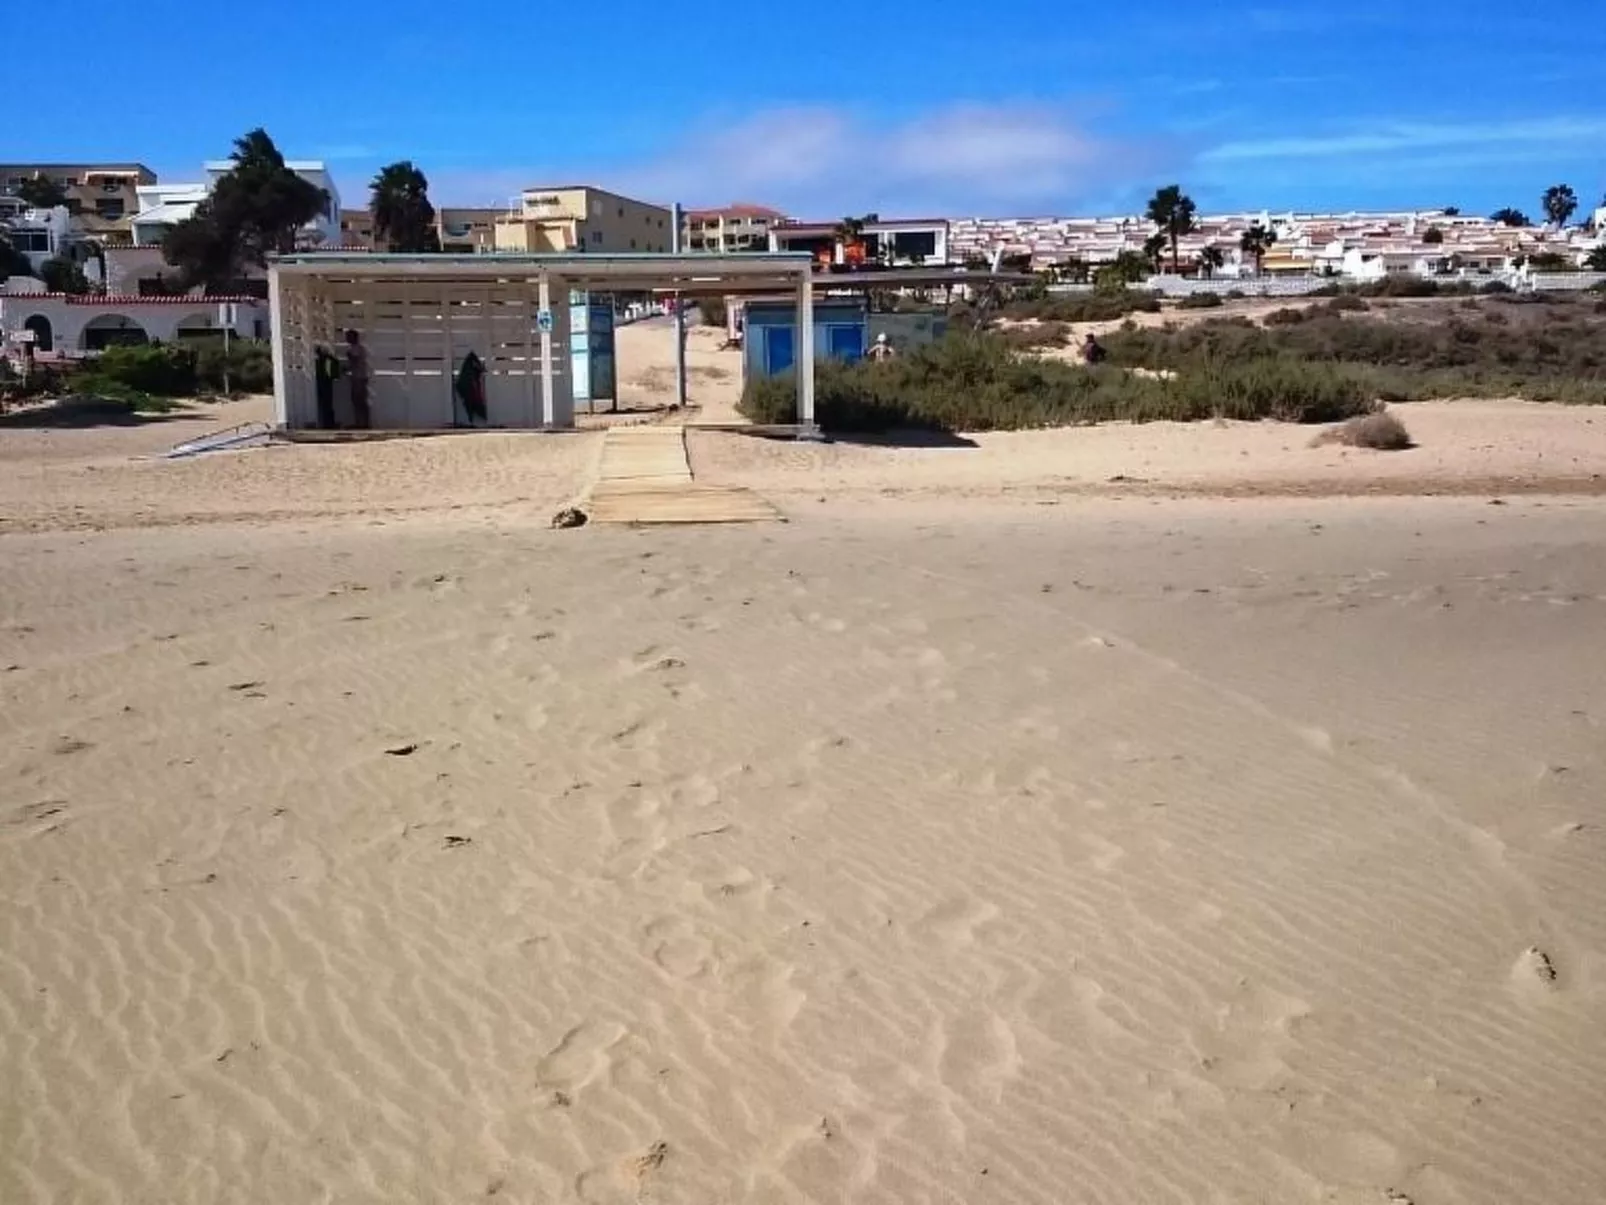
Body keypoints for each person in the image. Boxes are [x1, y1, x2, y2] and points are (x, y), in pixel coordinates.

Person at [344, 329, 371, 429]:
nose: (346, 339)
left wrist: (348, 361)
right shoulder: (360, 348)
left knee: (359, 400)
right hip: (359, 377)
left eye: (348, 337)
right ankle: (361, 422)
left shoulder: (355, 349)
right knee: (358, 401)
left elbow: (354, 361)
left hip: (358, 378)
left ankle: (362, 423)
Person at [313, 344, 341, 429]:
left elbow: (335, 363)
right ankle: (327, 423)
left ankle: (328, 423)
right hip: (324, 382)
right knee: (326, 404)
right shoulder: (322, 360)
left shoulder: (323, 360)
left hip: (324, 382)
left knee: (326, 404)